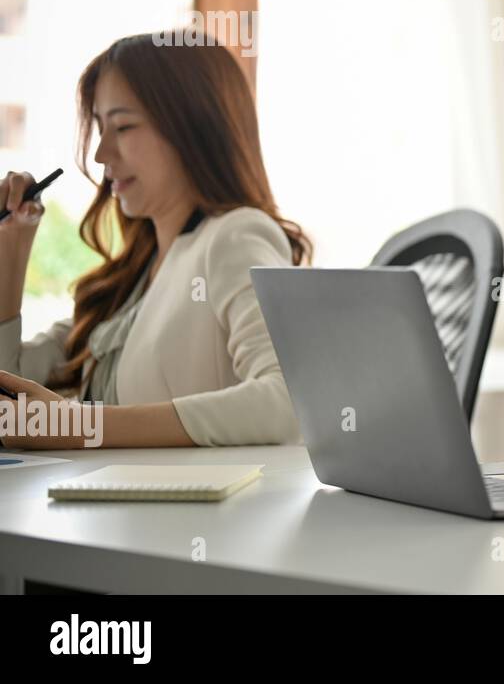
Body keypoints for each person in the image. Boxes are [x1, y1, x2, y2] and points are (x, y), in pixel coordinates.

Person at [0, 32, 311, 448]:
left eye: (123, 126)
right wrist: (12, 245)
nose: (101, 154)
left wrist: (82, 426)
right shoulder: (129, 281)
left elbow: (288, 402)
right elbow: (9, 400)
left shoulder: (234, 235)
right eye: (99, 127)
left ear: (193, 128)